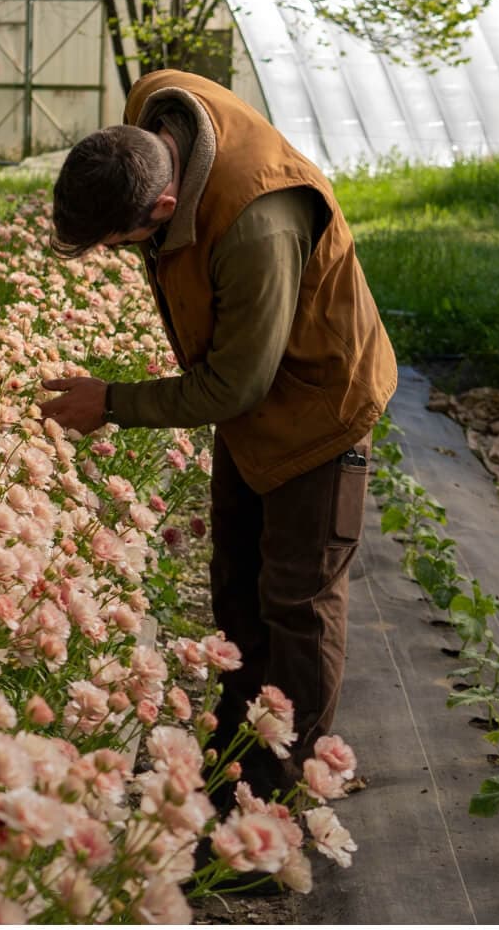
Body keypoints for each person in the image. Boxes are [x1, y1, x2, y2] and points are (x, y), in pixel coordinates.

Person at [36, 69, 398, 814]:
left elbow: (237, 386)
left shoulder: (256, 224)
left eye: (121, 242)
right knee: (236, 584)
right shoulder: (157, 107)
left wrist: (111, 402)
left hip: (316, 405)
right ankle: (231, 762)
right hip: (249, 396)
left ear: (164, 205)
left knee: (297, 602)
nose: (120, 256)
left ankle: (277, 799)